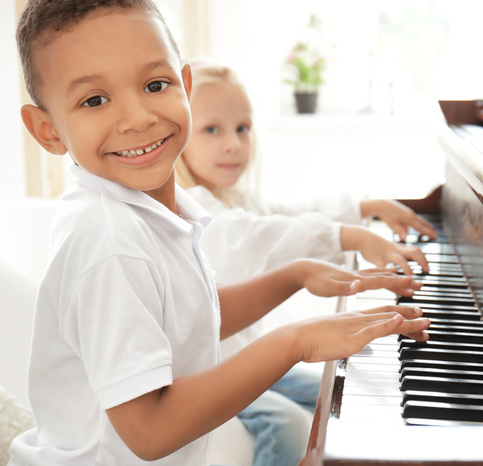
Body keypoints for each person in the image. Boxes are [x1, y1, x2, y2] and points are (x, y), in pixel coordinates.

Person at [9, 1, 431, 465]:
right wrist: (295, 340)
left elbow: (191, 320)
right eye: (94, 100)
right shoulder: (108, 240)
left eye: (155, 85)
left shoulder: (150, 212)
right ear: (47, 130)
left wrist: (294, 275)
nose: (138, 118)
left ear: (185, 86)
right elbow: (149, 432)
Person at [174, 61, 440, 465]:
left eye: (242, 128)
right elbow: (255, 238)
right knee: (285, 424)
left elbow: (290, 213)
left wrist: (363, 208)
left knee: (330, 390)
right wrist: (347, 237)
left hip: (247, 362)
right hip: (206, 376)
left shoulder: (236, 197)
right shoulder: (192, 206)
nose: (233, 143)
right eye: (212, 129)